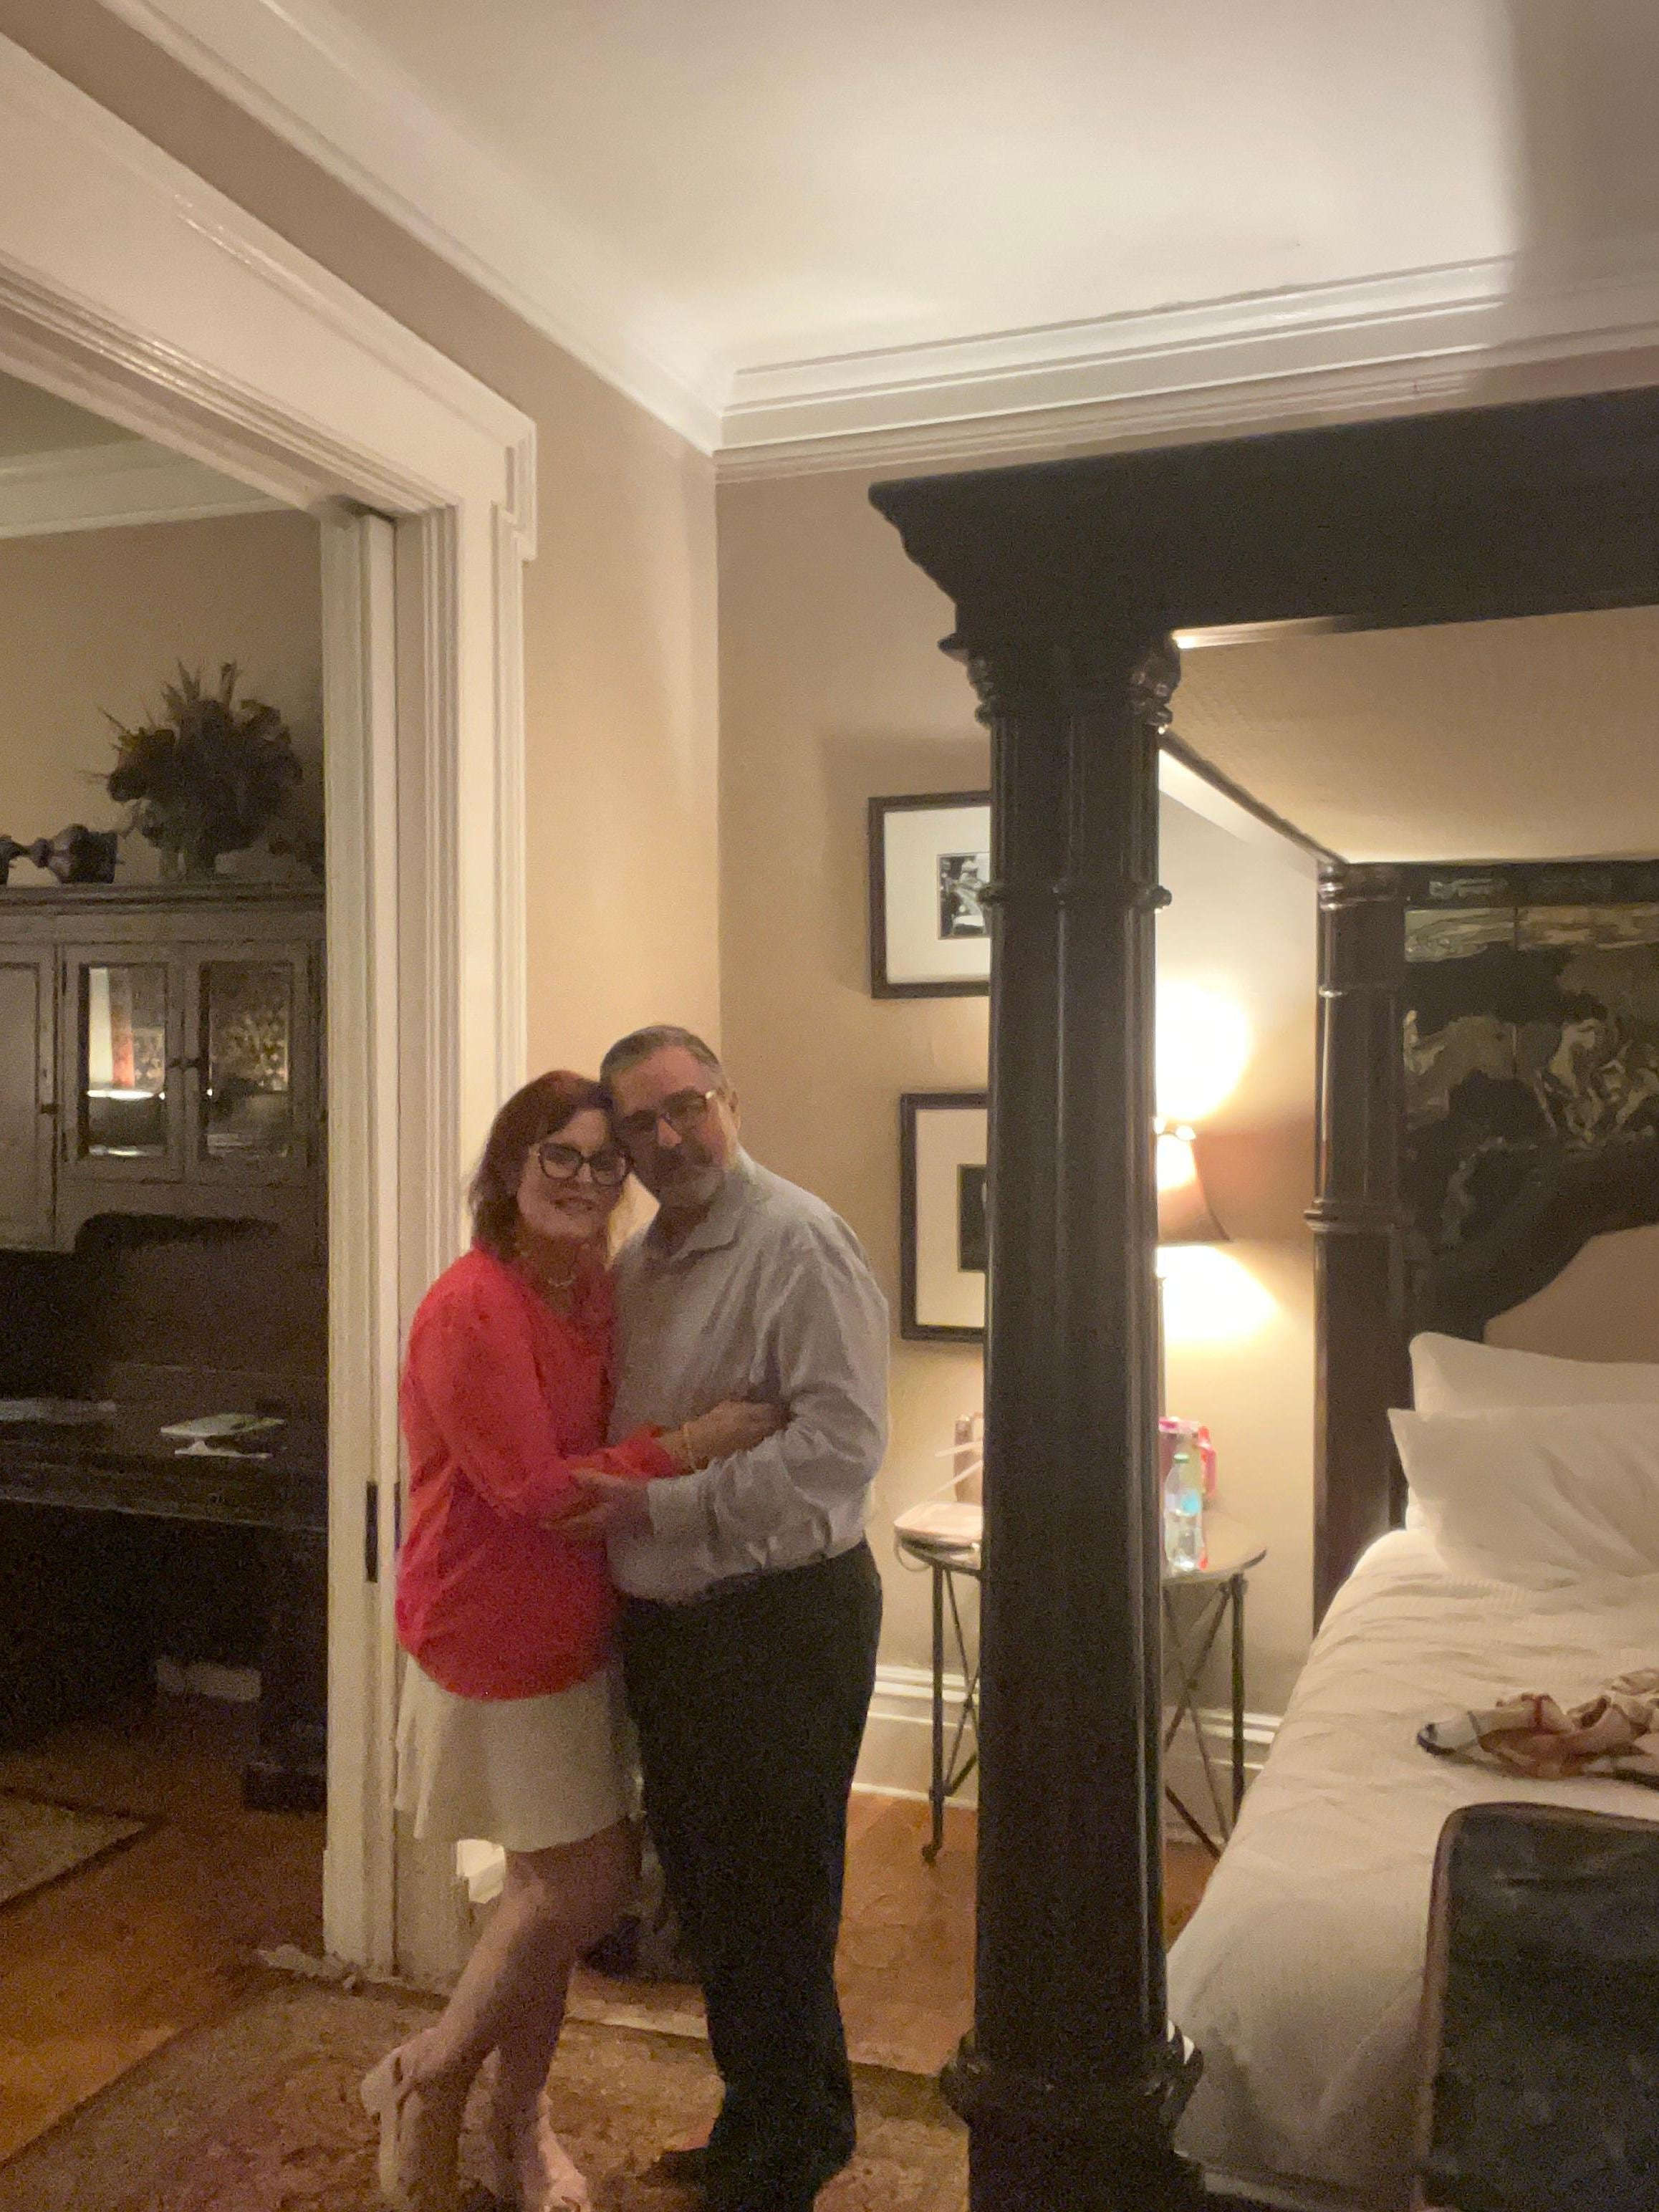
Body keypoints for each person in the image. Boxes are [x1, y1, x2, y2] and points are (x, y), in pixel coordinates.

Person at [360, 1070, 782, 2212]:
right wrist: (694, 1443)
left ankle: (515, 2125)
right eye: (560, 1155)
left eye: (604, 1162)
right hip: (491, 1630)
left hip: (582, 1625)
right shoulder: (471, 1306)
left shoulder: (593, 1288)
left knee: (543, 1893)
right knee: (586, 1887)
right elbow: (535, 1493)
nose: (585, 1180)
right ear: (510, 1166)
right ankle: (430, 2077)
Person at [563, 1026, 888, 2212]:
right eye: (641, 1124)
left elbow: (840, 1448)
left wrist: (670, 1499)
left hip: (780, 1623)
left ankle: (786, 2164)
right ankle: (770, 2121)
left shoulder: (799, 1243)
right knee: (710, 1897)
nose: (669, 1137)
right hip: (676, 1631)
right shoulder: (639, 1265)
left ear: (728, 1102)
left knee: (776, 1904)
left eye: (686, 1106)